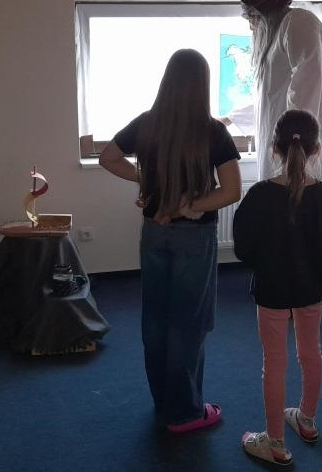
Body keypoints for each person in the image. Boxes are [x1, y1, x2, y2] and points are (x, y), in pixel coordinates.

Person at [99, 48, 242, 432]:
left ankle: (165, 401)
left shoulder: (148, 123)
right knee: (189, 321)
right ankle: (185, 412)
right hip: (194, 237)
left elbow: (108, 157)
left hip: (154, 232)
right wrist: (192, 205)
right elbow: (231, 191)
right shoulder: (213, 131)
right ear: (202, 85)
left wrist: (146, 180)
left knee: (157, 318)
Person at [233, 110, 322, 466]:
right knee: (311, 352)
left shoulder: (259, 195)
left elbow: (243, 249)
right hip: (312, 289)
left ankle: (276, 442)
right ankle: (307, 420)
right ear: (316, 150)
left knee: (274, 362)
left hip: (271, 291)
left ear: (274, 147)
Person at [239, 0, 322, 260]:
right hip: (285, 138)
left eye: (252, 19)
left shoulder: (298, 23)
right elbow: (271, 95)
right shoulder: (280, 32)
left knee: (304, 213)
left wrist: (293, 137)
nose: (251, 28)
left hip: (298, 139)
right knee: (281, 214)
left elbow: (305, 85)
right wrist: (231, 118)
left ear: (262, 15)